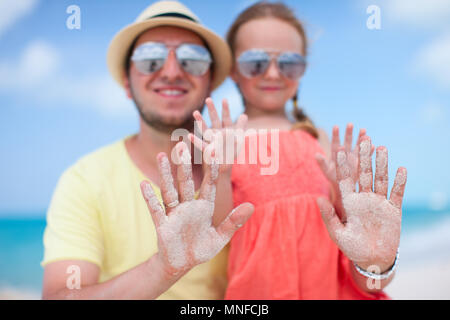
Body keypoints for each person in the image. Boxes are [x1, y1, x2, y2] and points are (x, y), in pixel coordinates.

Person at [191, 1, 407, 299]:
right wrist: (222, 173)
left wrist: (343, 190)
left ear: (302, 69)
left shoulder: (317, 137)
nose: (273, 73)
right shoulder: (225, 140)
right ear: (233, 71)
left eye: (289, 63)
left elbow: (348, 237)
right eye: (256, 62)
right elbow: (218, 231)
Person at [40, 1, 253, 300]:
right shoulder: (85, 180)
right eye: (149, 58)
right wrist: (161, 269)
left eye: (192, 59)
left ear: (210, 84)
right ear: (127, 83)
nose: (171, 71)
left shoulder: (246, 174)